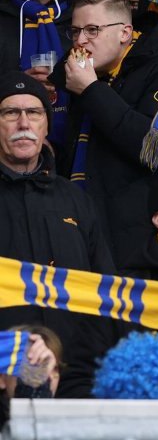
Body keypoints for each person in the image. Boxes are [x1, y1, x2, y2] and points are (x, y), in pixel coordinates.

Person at [0, 71, 114, 398]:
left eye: (34, 113)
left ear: (46, 126)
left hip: (77, 377)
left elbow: (104, 285)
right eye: (11, 113)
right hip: (4, 377)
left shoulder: (76, 199)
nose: (23, 122)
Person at [58, 0, 158, 268]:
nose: (81, 41)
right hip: (82, 217)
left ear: (125, 32)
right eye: (75, 31)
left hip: (137, 232)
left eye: (92, 30)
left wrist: (92, 90)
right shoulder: (78, 72)